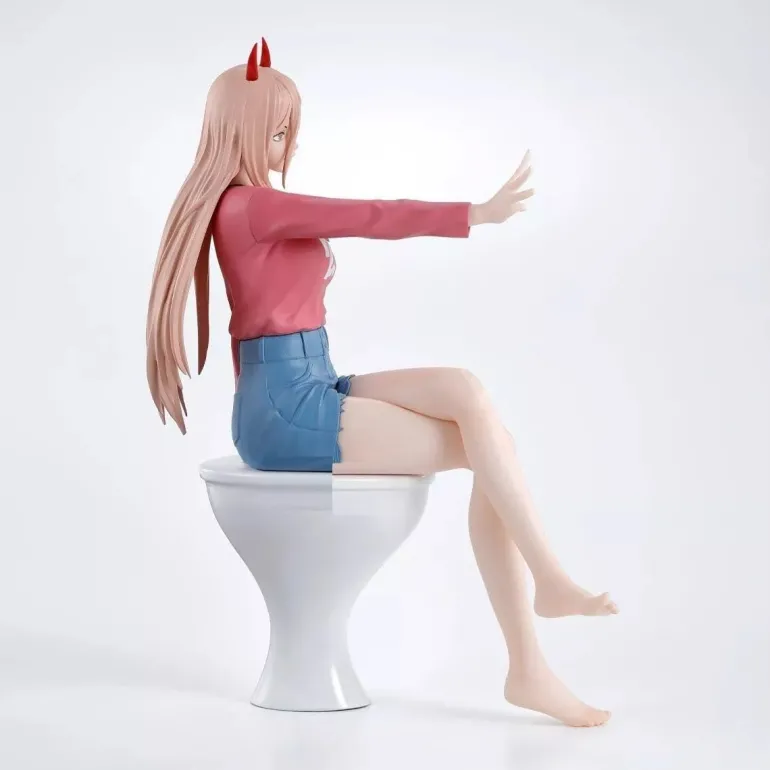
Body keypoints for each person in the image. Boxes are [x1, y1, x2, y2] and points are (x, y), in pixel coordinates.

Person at [146, 39, 618, 728]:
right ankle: (536, 632)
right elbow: (366, 214)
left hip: (313, 380)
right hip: (283, 409)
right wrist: (473, 213)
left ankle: (536, 634)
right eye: (277, 132)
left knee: (467, 395)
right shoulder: (251, 206)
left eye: (289, 130)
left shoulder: (249, 205)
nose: (288, 144)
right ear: (240, 130)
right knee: (490, 449)